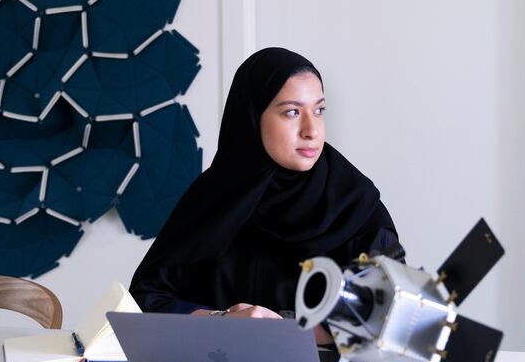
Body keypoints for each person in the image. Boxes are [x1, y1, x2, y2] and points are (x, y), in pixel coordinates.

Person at [129, 47, 404, 344]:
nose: (312, 130)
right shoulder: (213, 198)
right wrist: (220, 321)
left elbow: (390, 314)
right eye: (292, 112)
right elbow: (146, 300)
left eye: (319, 110)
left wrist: (280, 331)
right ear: (252, 116)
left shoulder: (354, 204)